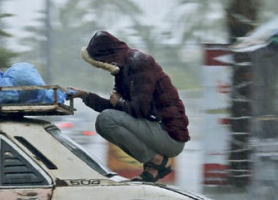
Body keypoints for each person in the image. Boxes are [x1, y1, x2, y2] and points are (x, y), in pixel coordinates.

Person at [68, 30, 190, 183]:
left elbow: (139, 109)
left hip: (169, 136)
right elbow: (115, 109)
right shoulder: (124, 70)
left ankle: (156, 161)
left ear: (105, 57)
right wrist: (84, 95)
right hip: (156, 131)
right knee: (105, 122)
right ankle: (152, 168)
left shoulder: (139, 63)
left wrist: (119, 102)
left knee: (105, 119)